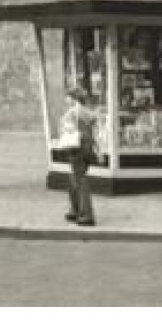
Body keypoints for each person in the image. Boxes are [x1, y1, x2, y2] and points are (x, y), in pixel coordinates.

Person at [57, 87, 97, 226]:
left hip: (76, 149)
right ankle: (75, 210)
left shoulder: (72, 112)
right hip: (87, 148)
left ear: (74, 98)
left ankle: (86, 215)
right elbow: (93, 129)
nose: (66, 99)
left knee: (80, 181)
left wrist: (62, 127)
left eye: (68, 97)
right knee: (75, 178)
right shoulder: (89, 112)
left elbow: (68, 129)